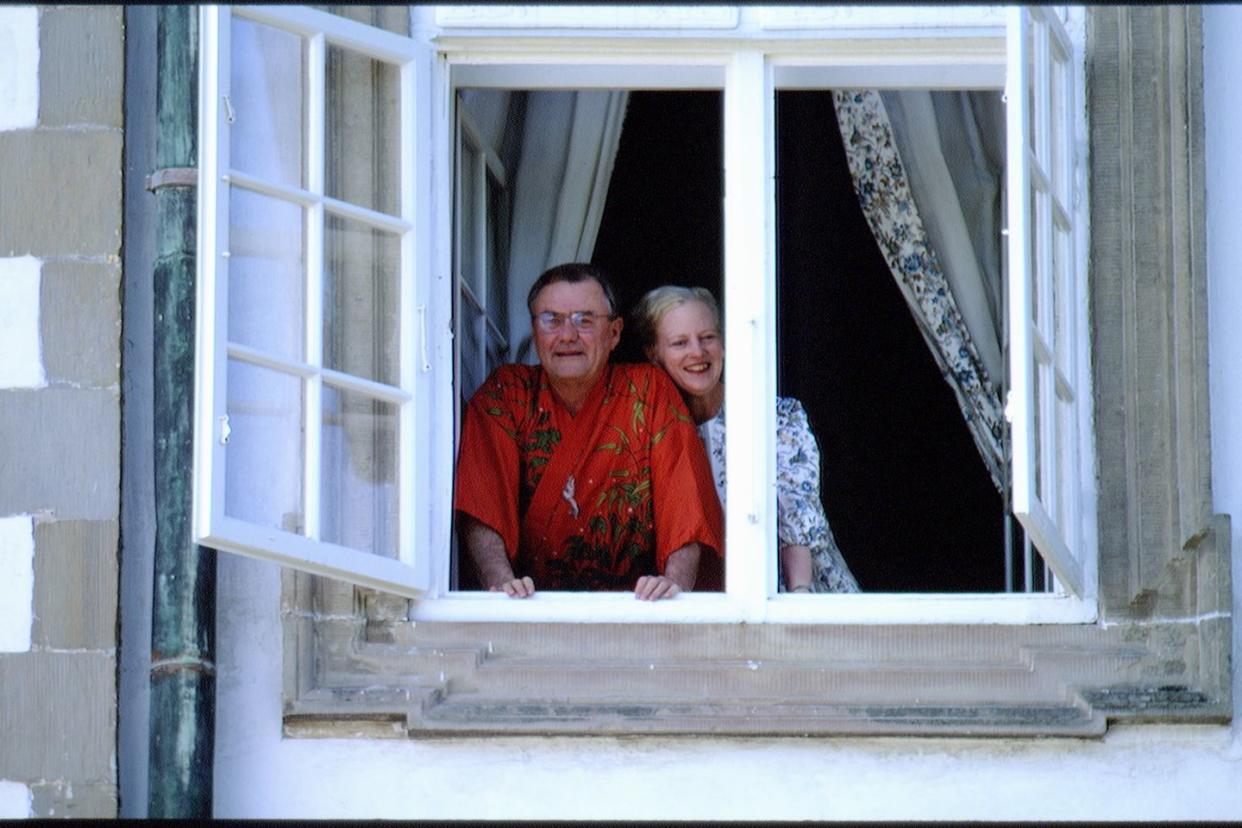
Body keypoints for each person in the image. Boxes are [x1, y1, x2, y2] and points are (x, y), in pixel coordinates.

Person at [454, 263, 724, 601]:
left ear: (614, 333)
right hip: (530, 609)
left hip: (636, 609)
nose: (567, 335)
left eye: (585, 320)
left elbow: (684, 498)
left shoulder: (647, 390)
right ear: (534, 331)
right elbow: (482, 503)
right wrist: (501, 587)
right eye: (552, 320)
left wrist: (676, 588)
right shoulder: (506, 395)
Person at [633, 285, 860, 594]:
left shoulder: (775, 417)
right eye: (679, 342)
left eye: (708, 337)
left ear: (724, 343)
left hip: (796, 597)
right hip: (706, 607)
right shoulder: (649, 431)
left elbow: (797, 521)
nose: (697, 352)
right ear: (654, 355)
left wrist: (799, 595)